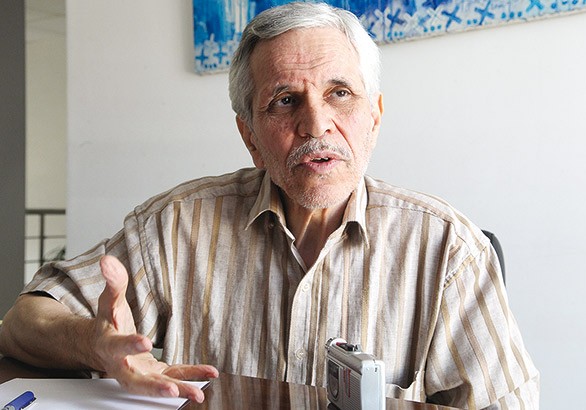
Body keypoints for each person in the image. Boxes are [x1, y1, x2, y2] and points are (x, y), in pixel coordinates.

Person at [0, 2, 539, 408]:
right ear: (250, 136)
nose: (316, 124)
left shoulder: (449, 250)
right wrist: (91, 344)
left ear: (374, 117)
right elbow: (21, 322)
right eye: (285, 101)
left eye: (340, 93)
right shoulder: (175, 225)